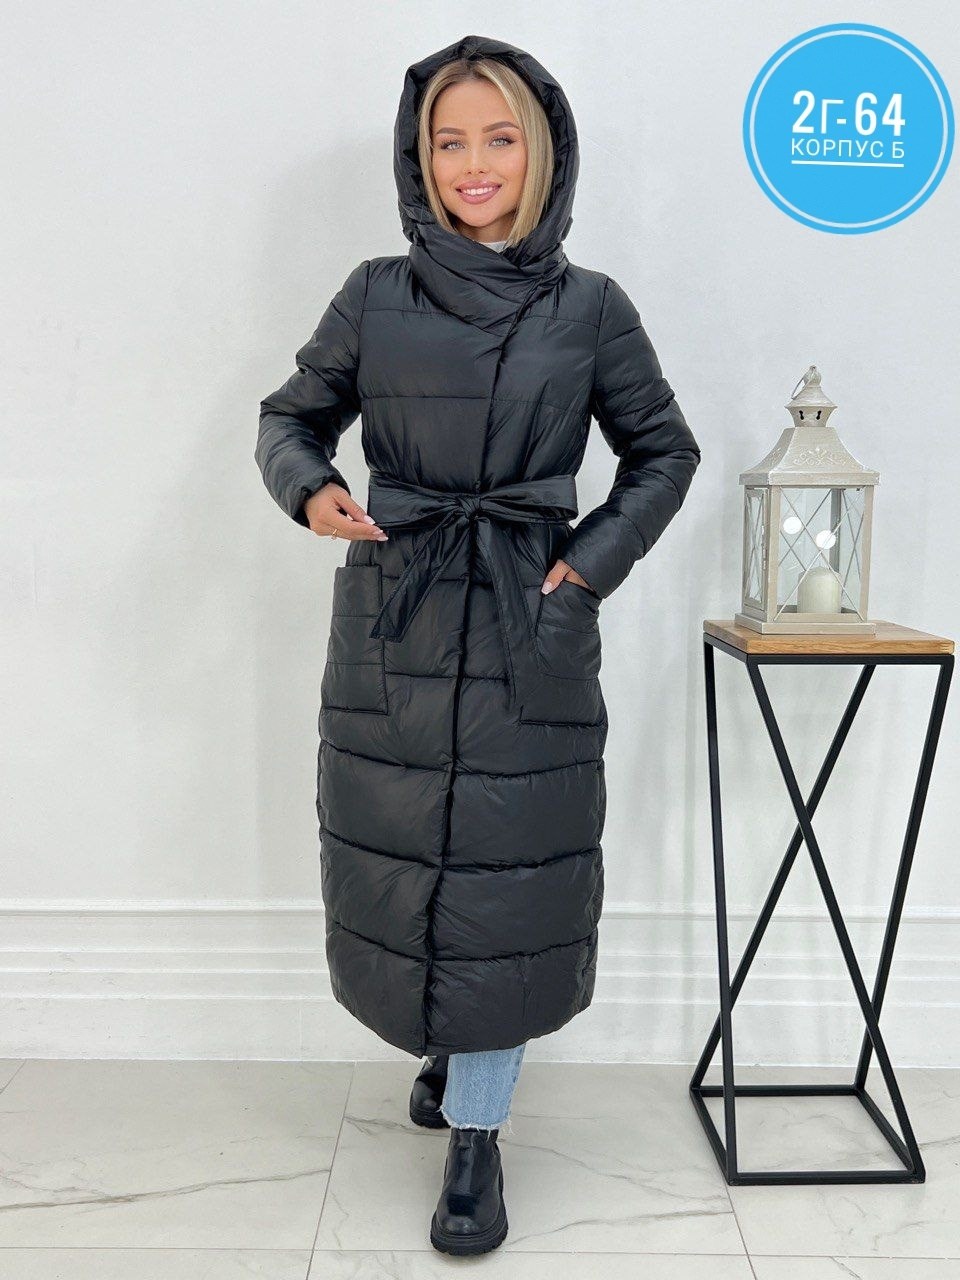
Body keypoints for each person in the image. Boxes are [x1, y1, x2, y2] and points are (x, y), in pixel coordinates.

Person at [255, 34, 701, 1256]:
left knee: (510, 871)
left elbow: (664, 451)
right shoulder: (373, 293)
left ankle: (477, 1135)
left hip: (526, 616)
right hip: (396, 615)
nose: (474, 163)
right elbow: (291, 415)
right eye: (448, 140)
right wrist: (310, 489)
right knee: (407, 854)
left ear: (541, 150)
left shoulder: (592, 307)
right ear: (420, 158)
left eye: (498, 136)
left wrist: (585, 566)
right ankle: (448, 1050)